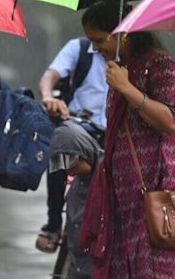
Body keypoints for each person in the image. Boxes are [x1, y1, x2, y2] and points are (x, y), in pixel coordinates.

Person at [79, 1, 175, 279]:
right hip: (121, 197)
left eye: (99, 40)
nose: (95, 49)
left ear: (123, 33)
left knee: (150, 270)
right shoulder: (120, 69)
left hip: (154, 192)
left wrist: (127, 88)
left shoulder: (161, 65)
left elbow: (170, 121)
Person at [36, 30, 108, 253]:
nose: (96, 47)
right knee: (60, 151)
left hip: (111, 134)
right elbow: (50, 76)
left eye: (100, 40)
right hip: (79, 127)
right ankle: (54, 224)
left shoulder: (130, 58)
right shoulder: (79, 48)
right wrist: (48, 96)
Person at [48, 120, 103, 278]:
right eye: (61, 163)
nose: (68, 168)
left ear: (83, 150)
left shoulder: (110, 177)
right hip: (78, 268)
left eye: (70, 161)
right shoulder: (74, 187)